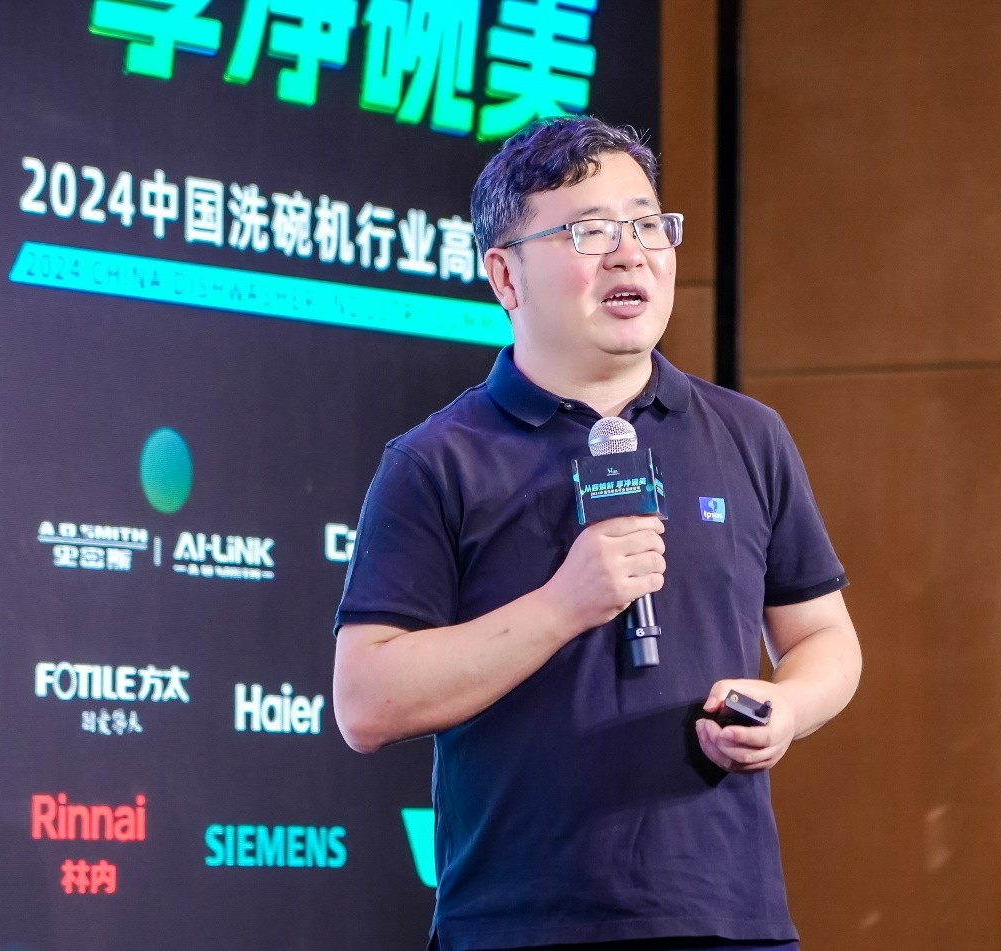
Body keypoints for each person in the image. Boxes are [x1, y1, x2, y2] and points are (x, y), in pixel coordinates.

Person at [333, 116, 861, 951]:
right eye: (590, 232)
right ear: (505, 275)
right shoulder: (437, 460)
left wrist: (787, 707)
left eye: (648, 225)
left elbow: (825, 637)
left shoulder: (748, 435)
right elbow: (366, 701)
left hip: (726, 919)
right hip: (520, 924)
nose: (630, 255)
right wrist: (563, 604)